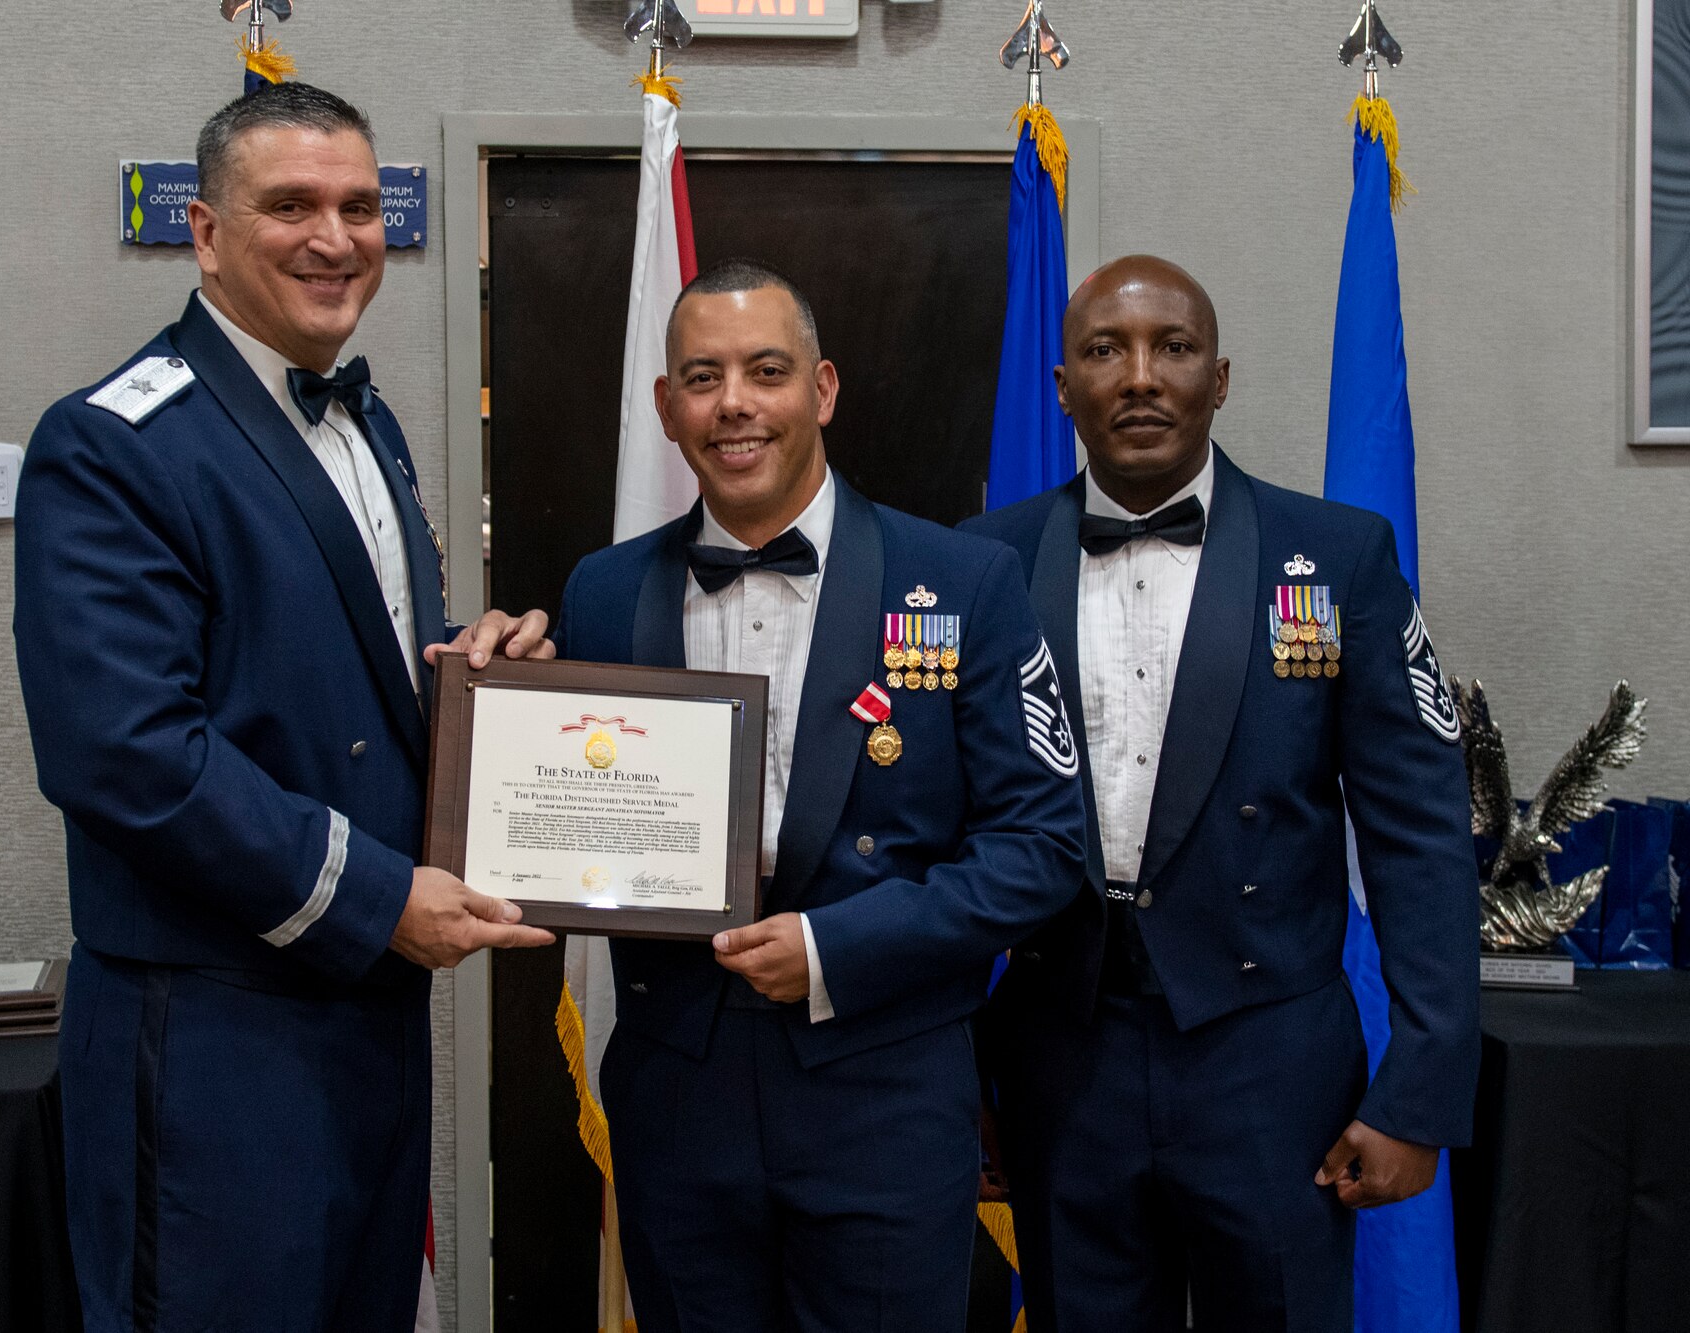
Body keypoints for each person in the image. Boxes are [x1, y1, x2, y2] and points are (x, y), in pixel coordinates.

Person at [13, 82, 555, 1331]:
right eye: (290, 205)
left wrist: (475, 677)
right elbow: (127, 755)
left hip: (362, 1015)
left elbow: (330, 676)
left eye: (360, 206)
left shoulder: (365, 424)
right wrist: (375, 899)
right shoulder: (113, 445)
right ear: (204, 231)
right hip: (212, 1031)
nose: (334, 237)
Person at [553, 259, 1088, 1332]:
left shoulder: (963, 582)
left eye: (765, 370)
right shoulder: (602, 590)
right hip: (677, 1095)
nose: (733, 404)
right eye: (701, 378)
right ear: (666, 407)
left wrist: (839, 948)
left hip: (881, 1091)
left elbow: (1042, 847)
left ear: (823, 389)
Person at [964, 254, 1479, 1332]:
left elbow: (1417, 837)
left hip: (1270, 1062)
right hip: (1063, 1052)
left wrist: (1420, 1091)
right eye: (1104, 350)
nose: (1139, 376)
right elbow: (938, 835)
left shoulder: (1337, 559)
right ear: (1061, 386)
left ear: (1221, 377)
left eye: (1173, 348)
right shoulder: (981, 566)